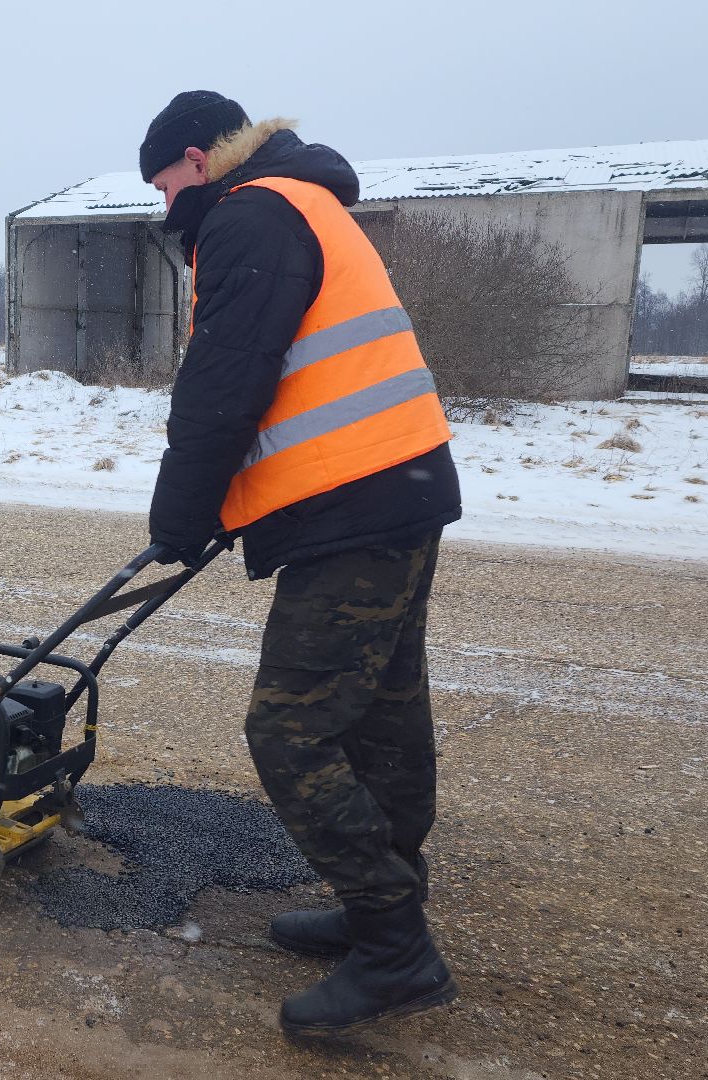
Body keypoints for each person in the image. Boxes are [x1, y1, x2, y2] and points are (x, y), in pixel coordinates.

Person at [138, 92, 463, 1037]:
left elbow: (224, 378)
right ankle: (382, 921)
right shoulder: (301, 198)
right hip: (396, 487)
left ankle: (396, 948)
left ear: (195, 160)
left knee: (289, 729)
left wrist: (181, 512)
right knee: (383, 716)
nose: (165, 209)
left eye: (163, 186)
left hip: (354, 500)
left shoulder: (248, 216)